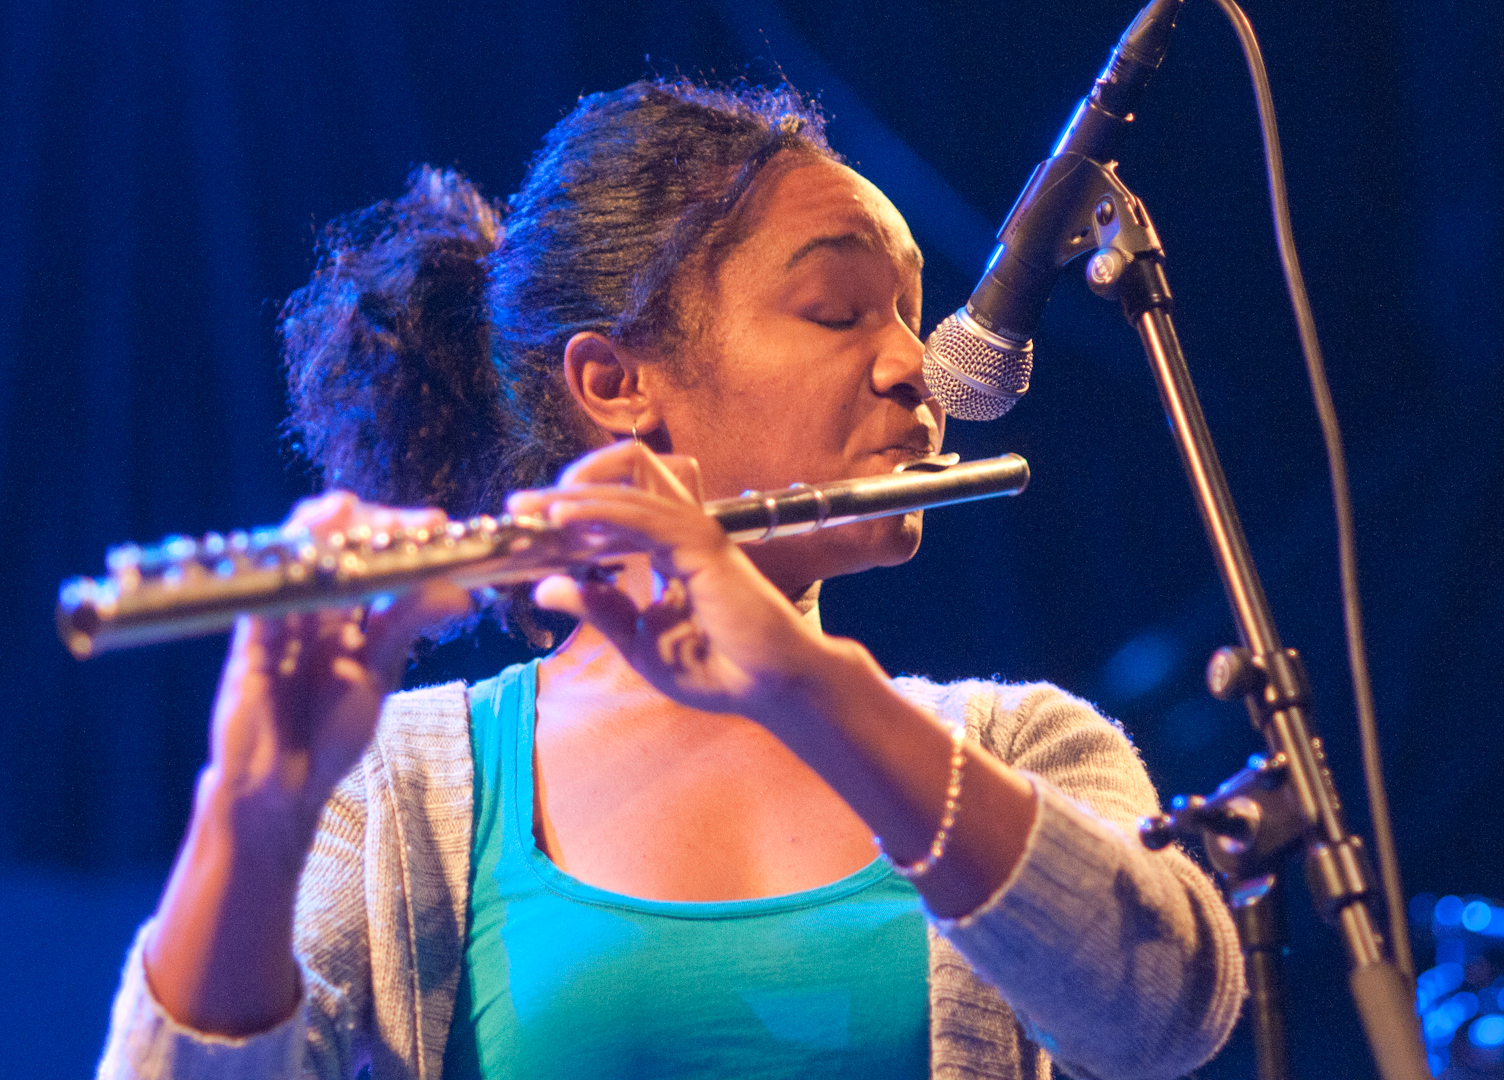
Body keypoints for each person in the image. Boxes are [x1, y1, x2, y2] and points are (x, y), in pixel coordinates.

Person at [98, 79, 1243, 1080]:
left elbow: (1169, 1019)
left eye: (903, 310)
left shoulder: (1023, 749)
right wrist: (251, 813)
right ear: (613, 383)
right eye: (840, 311)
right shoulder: (400, 792)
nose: (913, 360)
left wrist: (801, 680)